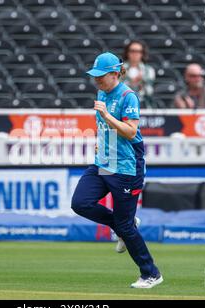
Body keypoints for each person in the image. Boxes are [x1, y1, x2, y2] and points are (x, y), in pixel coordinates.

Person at [71, 52, 163, 289]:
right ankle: (124, 223)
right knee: (80, 202)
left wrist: (107, 116)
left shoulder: (128, 96)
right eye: (95, 76)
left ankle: (151, 273)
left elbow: (131, 132)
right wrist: (101, 139)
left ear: (115, 74)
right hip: (104, 161)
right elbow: (104, 125)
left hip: (126, 167)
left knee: (124, 227)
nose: (96, 80)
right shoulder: (102, 92)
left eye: (101, 76)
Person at [122, 40, 156, 109]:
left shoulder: (149, 70)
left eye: (138, 51)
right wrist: (130, 84)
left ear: (142, 54)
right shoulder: (120, 70)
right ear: (127, 53)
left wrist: (141, 83)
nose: (135, 54)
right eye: (132, 51)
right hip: (123, 104)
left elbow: (150, 92)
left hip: (143, 105)